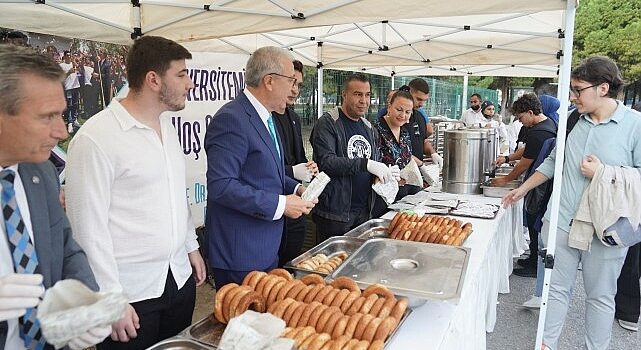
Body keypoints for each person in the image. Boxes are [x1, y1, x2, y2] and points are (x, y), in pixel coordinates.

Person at [65, 36, 207, 349]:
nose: (190, 83)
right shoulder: (96, 138)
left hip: (178, 278)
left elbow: (176, 196)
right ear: (154, 80)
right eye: (181, 74)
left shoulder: (166, 129)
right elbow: (87, 230)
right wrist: (109, 298)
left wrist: (190, 246)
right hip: (130, 294)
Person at [502, 56, 641, 350]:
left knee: (601, 296)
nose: (572, 96)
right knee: (555, 290)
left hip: (606, 227)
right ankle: (546, 344)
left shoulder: (635, 125)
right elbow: (554, 160)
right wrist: (523, 189)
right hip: (561, 220)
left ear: (603, 88)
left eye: (578, 90)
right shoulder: (572, 119)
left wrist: (602, 173)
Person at [0, 45, 111, 350]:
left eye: (61, 114)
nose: (62, 131)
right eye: (47, 117)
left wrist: (84, 303)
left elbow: (65, 248)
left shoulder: (41, 174)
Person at [205, 46, 316, 287]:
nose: (293, 89)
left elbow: (268, 172)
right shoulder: (232, 119)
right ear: (269, 81)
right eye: (290, 80)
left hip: (265, 245)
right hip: (241, 253)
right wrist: (281, 204)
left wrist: (296, 189)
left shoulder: (266, 116)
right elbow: (221, 186)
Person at [311, 73, 396, 243]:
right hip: (335, 214)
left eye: (367, 95)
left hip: (364, 211)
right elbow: (327, 162)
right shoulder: (328, 123)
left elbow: (374, 161)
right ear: (344, 95)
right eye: (358, 94)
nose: (364, 100)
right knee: (331, 264)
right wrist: (366, 164)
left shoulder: (368, 127)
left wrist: (386, 173)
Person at [493, 93, 557, 280]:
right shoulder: (546, 124)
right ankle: (532, 258)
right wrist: (506, 158)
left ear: (530, 112)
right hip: (540, 181)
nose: (520, 122)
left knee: (534, 219)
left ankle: (534, 264)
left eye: (521, 118)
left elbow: (524, 163)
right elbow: (526, 150)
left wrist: (505, 180)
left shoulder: (539, 132)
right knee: (532, 220)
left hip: (540, 185)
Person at [272, 59, 319, 266]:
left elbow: (298, 156)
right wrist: (293, 171)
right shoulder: (266, 117)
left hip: (296, 203)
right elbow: (263, 169)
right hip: (274, 205)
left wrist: (308, 167)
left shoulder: (293, 117)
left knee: (292, 261)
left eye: (299, 85)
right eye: (291, 82)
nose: (294, 90)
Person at [372, 90, 422, 217]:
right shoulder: (375, 130)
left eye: (407, 112)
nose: (403, 115)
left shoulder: (405, 132)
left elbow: (406, 157)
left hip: (405, 196)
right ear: (389, 107)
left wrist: (420, 169)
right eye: (399, 109)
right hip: (383, 198)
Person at [614, 100, 641, 332]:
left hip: (632, 206)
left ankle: (629, 312)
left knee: (631, 259)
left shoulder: (635, 126)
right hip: (620, 201)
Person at [404, 79, 442, 169]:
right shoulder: (399, 119)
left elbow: (422, 141)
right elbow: (397, 150)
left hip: (417, 172)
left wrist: (433, 153)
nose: (421, 104)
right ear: (409, 93)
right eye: (418, 99)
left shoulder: (420, 116)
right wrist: (420, 164)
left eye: (424, 100)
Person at [59, 51, 81, 133]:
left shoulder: (73, 64)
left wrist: (74, 61)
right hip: (68, 88)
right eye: (67, 55)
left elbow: (79, 69)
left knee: (75, 104)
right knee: (69, 105)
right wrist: (68, 73)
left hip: (76, 86)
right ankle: (70, 122)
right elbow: (61, 78)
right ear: (64, 56)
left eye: (70, 55)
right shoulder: (61, 66)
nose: (69, 57)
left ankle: (75, 120)